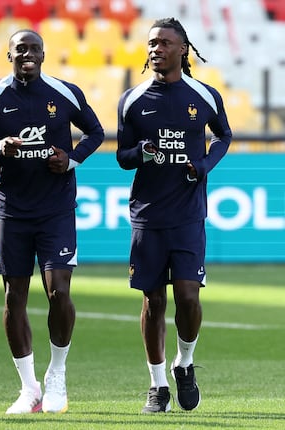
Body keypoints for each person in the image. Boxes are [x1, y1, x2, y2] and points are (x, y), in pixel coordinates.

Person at [0, 29, 104, 414]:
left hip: (57, 209)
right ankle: (29, 389)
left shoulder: (65, 92)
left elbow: (96, 132)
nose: (28, 54)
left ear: (44, 54)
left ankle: (57, 374)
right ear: (9, 54)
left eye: (34, 49)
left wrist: (72, 159)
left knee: (58, 291)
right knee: (14, 297)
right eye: (20, 49)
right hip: (13, 211)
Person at [116, 18, 232, 413]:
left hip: (187, 213)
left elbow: (224, 136)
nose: (155, 49)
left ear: (183, 49)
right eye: (151, 43)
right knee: (153, 300)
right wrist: (141, 153)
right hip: (147, 215)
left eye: (164, 43)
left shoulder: (204, 94)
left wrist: (203, 164)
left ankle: (185, 362)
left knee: (187, 295)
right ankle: (157, 384)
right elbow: (122, 157)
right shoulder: (132, 99)